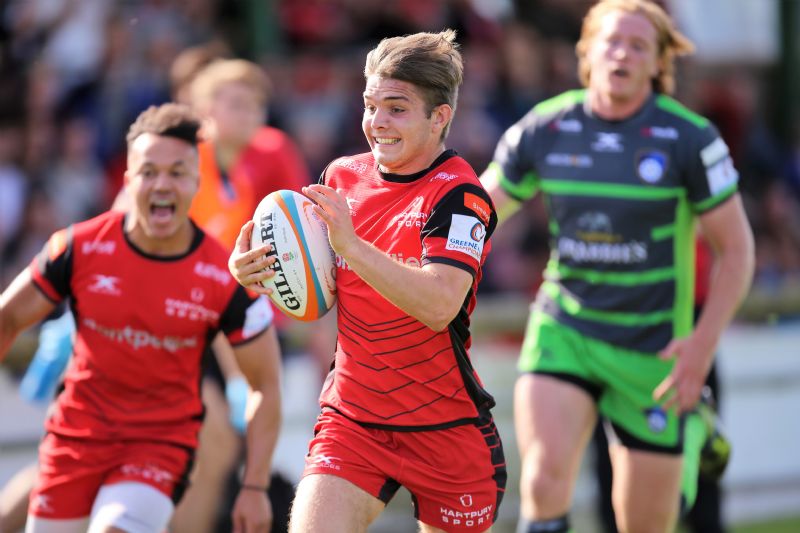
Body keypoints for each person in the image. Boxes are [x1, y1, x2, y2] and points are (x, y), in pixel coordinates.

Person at [479, 1, 755, 532]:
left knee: (643, 522)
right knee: (541, 482)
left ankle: (695, 433)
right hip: (566, 329)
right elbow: (481, 210)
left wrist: (701, 346)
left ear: (657, 63)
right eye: (612, 41)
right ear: (587, 52)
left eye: (639, 45)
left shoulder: (690, 138)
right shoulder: (545, 127)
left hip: (654, 350)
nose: (623, 53)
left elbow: (738, 251)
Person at [229, 29, 506, 533]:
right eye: (370, 105)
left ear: (438, 116)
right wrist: (252, 271)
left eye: (396, 107)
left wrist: (352, 246)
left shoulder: (461, 194)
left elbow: (440, 303)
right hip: (354, 421)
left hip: (445, 427)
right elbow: (314, 285)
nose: (377, 122)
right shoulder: (341, 177)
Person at [0, 103, 283, 533]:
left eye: (176, 172)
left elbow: (266, 382)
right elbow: (8, 318)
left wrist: (255, 486)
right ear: (129, 180)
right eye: (149, 172)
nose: (162, 184)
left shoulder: (224, 276)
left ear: (196, 182)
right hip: (75, 439)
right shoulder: (77, 247)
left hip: (159, 447)